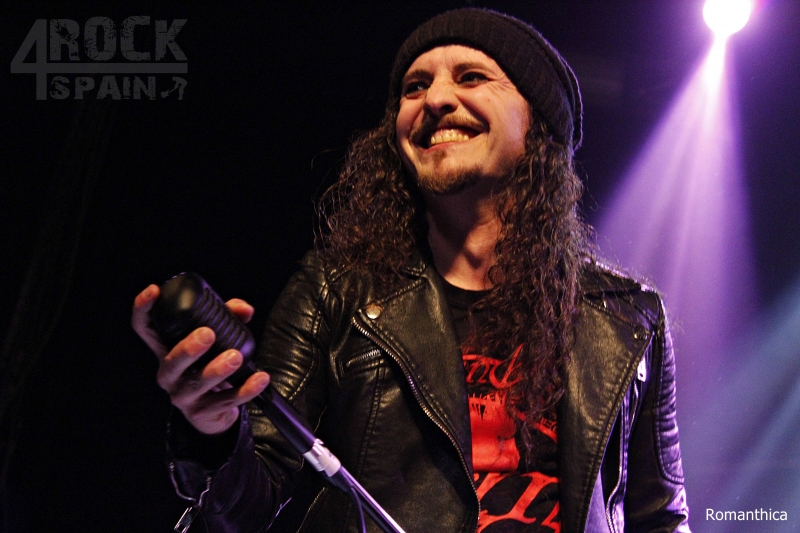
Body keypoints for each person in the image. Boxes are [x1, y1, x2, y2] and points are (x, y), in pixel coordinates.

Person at [132, 8, 691, 533]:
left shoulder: (628, 316)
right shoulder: (336, 289)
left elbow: (660, 517)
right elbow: (246, 502)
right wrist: (212, 429)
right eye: (414, 87)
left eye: (471, 77)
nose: (436, 99)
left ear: (539, 125)